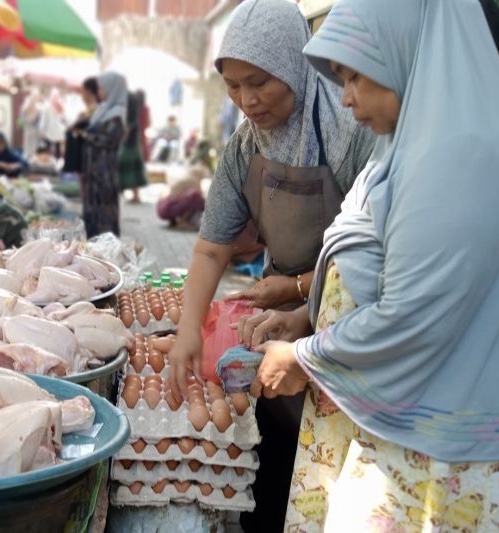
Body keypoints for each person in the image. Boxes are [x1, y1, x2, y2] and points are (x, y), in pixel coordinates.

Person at [236, 0, 499, 529]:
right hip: (387, 420)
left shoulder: (460, 159)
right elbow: (384, 271)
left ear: (416, 55)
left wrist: (303, 355)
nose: (346, 98)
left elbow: (415, 315)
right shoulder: (408, 147)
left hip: (432, 451)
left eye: (356, 77)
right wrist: (306, 317)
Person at [167, 1, 376, 530]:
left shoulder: (350, 131)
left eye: (259, 82)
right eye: (233, 86)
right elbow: (212, 247)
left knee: (332, 458)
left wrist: (305, 294)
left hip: (349, 305)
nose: (246, 100)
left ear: (295, 63)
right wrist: (188, 330)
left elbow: (374, 254)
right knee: (276, 438)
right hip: (284, 301)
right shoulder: (244, 147)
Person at [80, 71, 127, 238]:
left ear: (112, 88)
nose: (99, 91)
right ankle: (92, 252)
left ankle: (106, 256)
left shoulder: (117, 114)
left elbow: (107, 139)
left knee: (104, 217)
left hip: (104, 175)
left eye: (101, 88)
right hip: (93, 174)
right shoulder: (104, 110)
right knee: (92, 214)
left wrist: (86, 136)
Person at [156, 140, 212, 229]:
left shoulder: (187, 169)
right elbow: (202, 198)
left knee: (183, 196)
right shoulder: (194, 180)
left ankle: (173, 221)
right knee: (197, 197)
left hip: (160, 208)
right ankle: (183, 222)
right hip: (168, 208)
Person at [63, 77, 100, 174]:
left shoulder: (94, 112)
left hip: (88, 164)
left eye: (82, 91)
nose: (81, 96)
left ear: (88, 92)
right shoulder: (88, 112)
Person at [119, 91, 148, 203]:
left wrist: (122, 139)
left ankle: (132, 194)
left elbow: (128, 130)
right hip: (134, 142)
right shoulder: (136, 110)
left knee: (128, 167)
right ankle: (134, 194)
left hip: (129, 144)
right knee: (133, 168)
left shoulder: (130, 114)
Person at [38, 89, 66, 159]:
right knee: (48, 150)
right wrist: (42, 131)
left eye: (57, 96)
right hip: (49, 132)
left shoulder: (60, 106)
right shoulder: (47, 107)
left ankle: (57, 162)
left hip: (58, 133)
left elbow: (63, 120)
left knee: (58, 151)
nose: (55, 98)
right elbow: (44, 120)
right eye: (54, 96)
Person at [19, 89, 42, 159]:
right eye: (36, 96)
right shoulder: (38, 108)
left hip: (32, 130)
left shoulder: (38, 107)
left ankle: (29, 160)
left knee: (30, 148)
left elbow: (22, 119)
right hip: (31, 130)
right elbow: (22, 119)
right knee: (29, 148)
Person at [136, 90, 151, 162]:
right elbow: (148, 123)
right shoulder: (146, 108)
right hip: (142, 133)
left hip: (133, 133)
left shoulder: (132, 107)